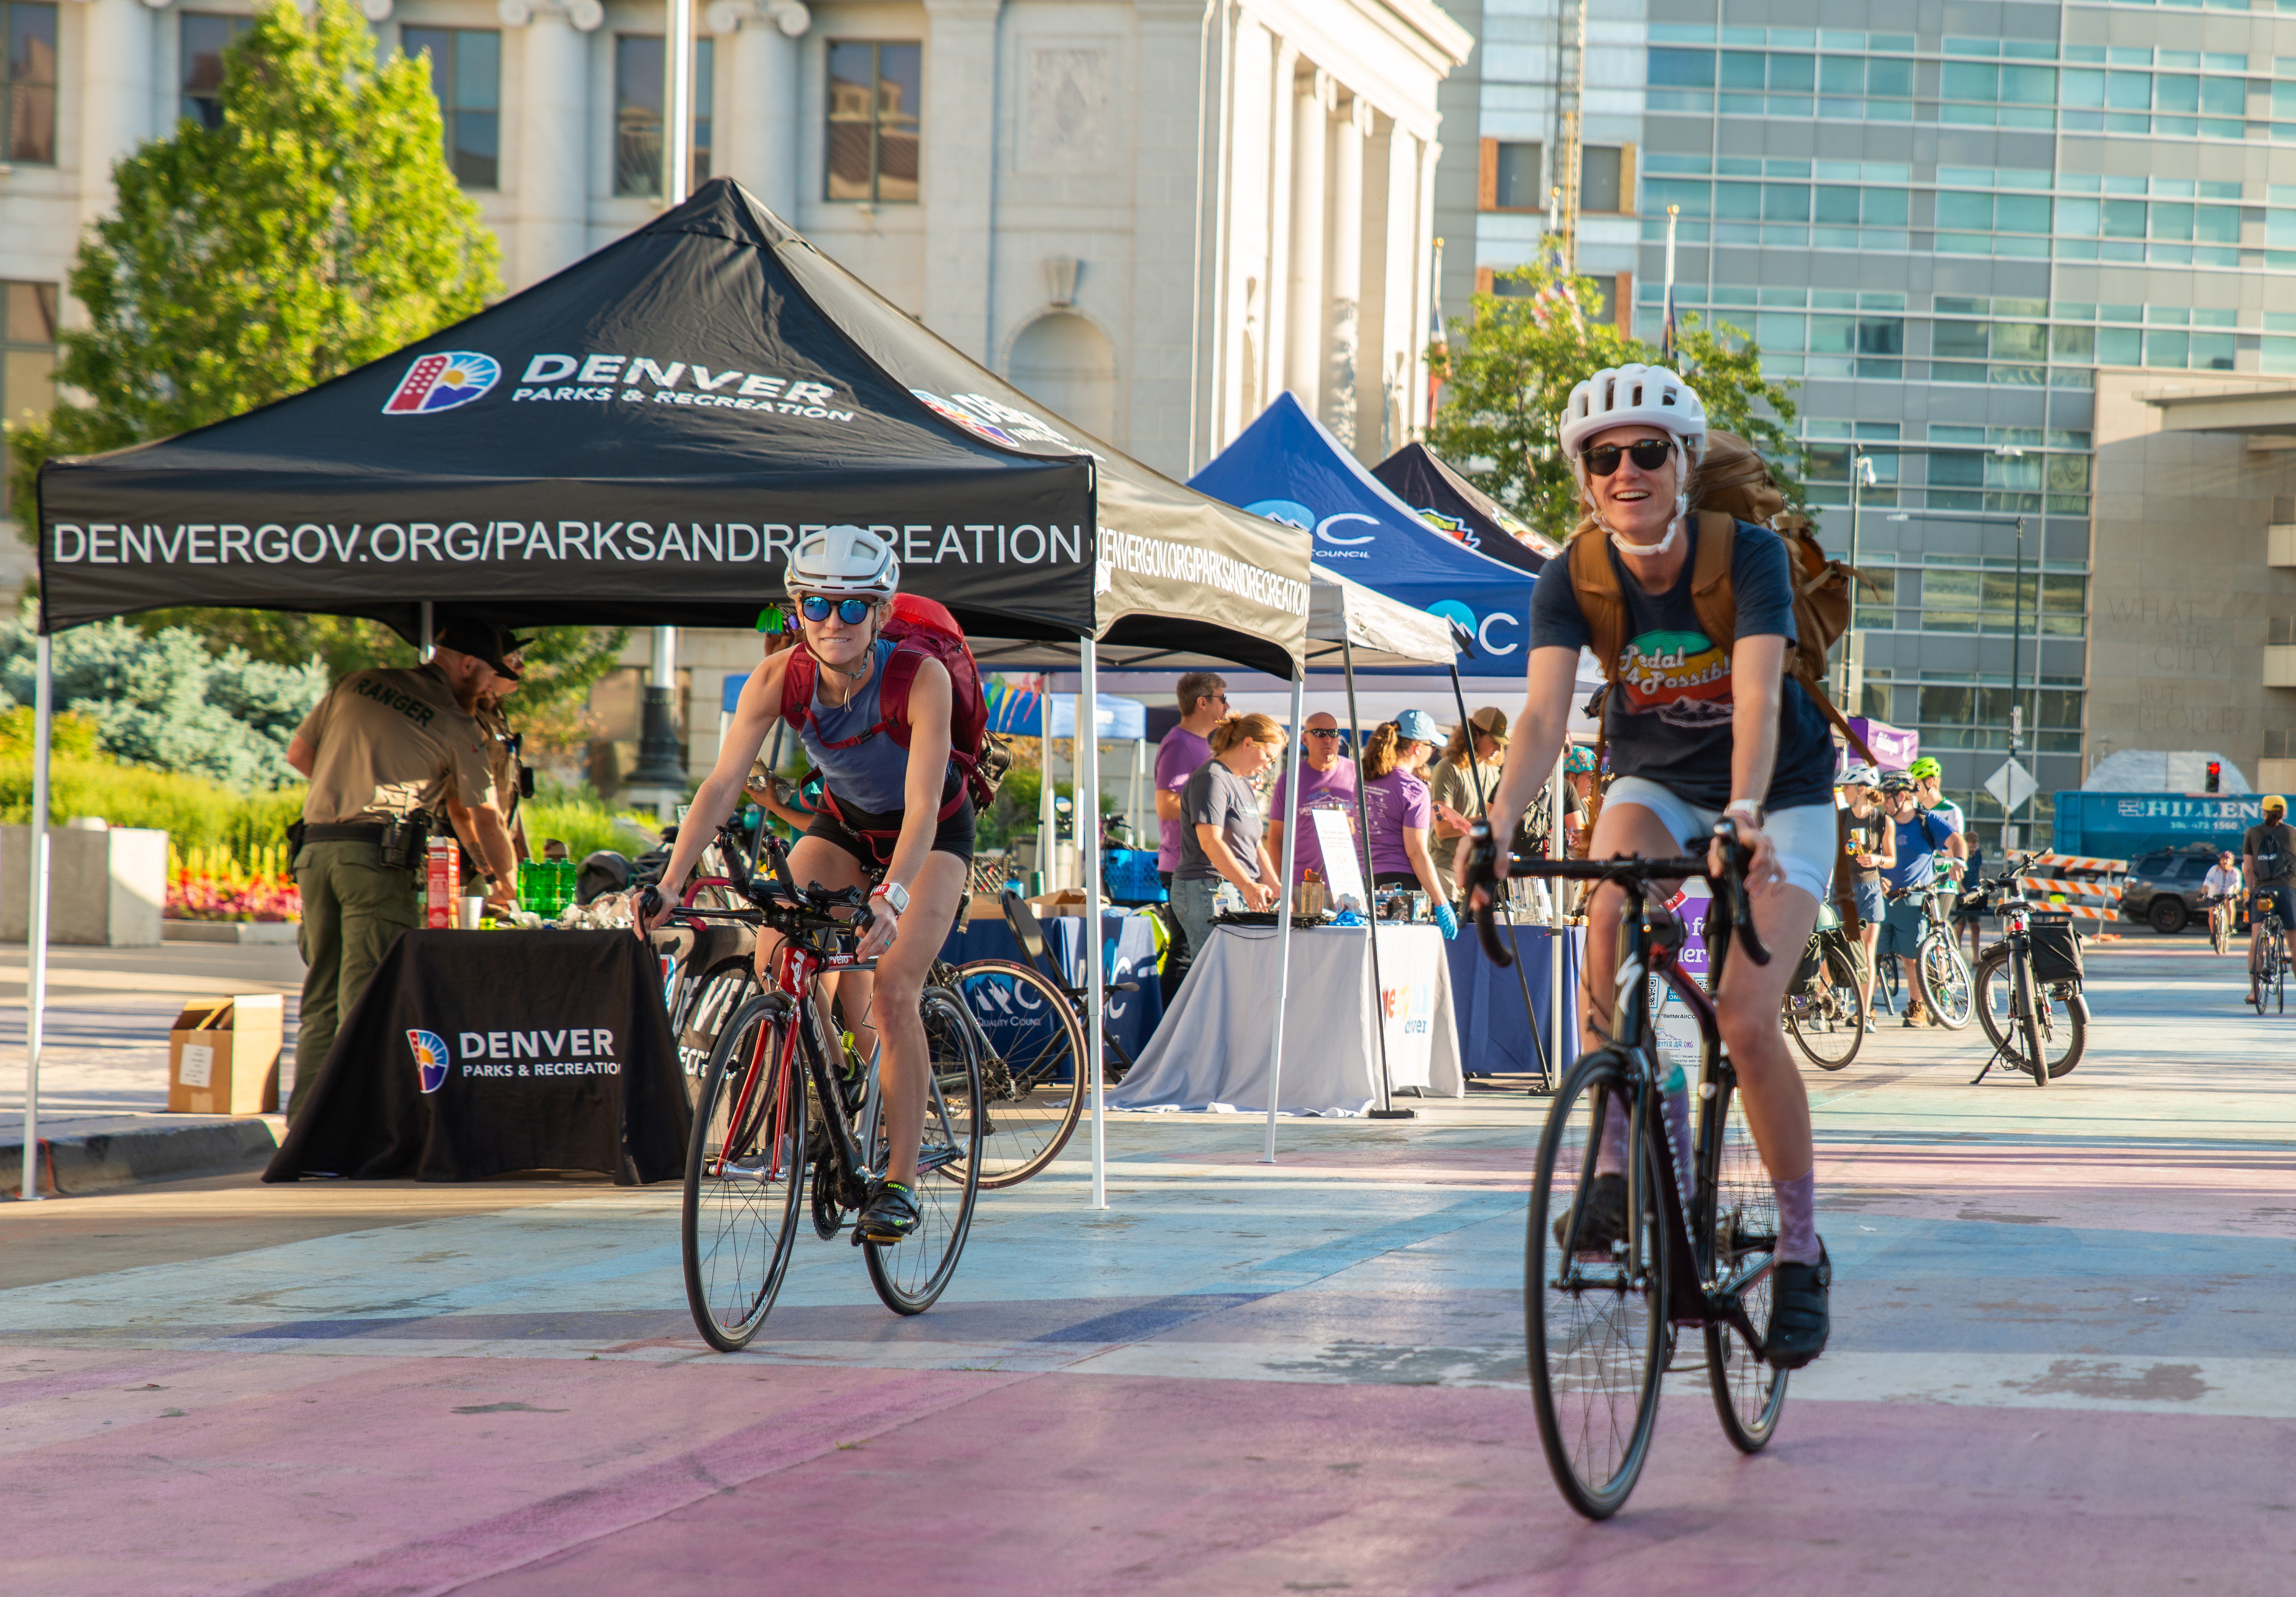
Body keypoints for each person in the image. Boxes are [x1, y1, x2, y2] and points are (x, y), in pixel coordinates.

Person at [1471, 362, 1837, 1369]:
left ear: (1680, 461)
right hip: (1654, 782)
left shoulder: (1745, 555)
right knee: (1605, 918)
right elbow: (1544, 716)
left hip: (1778, 791)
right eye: (1603, 456)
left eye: (1645, 451)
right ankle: (1620, 1151)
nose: (1624, 469)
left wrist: (1747, 810)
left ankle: (1801, 1252)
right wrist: (1498, 826)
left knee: (1742, 1016)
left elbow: (1757, 700)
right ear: (1582, 476)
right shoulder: (1571, 575)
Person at [636, 526, 971, 1244]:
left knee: (892, 987)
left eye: (854, 608)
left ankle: (901, 1182)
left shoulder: (920, 677)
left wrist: (893, 896)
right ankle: (838, 1076)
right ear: (796, 606)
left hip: (932, 832)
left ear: (881, 613)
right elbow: (723, 782)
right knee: (772, 960)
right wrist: (670, 881)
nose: (832, 622)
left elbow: (919, 807)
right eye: (816, 604)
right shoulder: (777, 677)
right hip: (844, 821)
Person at [284, 621, 516, 1121]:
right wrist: (509, 885)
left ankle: (307, 1126)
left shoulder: (356, 683)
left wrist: (350, 783)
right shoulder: (456, 722)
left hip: (315, 849)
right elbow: (484, 816)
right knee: (367, 998)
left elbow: (299, 754)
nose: (490, 686)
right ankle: (354, 1131)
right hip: (374, 860)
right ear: (468, 664)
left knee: (322, 995)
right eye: (488, 674)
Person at [1171, 712, 1286, 959]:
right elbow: (1210, 841)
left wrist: (1274, 885)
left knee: (1234, 974)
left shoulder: (1241, 783)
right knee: (1217, 976)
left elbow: (1254, 845)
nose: (1269, 766)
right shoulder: (1211, 777)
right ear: (1247, 744)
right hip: (1208, 887)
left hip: (1231, 889)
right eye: (1269, 756)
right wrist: (1247, 884)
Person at [1153, 672, 1228, 985]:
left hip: (1194, 864)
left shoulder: (1199, 744)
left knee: (1191, 952)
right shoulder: (1180, 745)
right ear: (1203, 703)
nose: (1227, 706)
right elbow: (1165, 803)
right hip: (1181, 865)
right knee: (1184, 954)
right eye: (1222, 699)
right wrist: (1211, 808)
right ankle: (1170, 1029)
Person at [1358, 710, 1459, 939]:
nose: (1433, 752)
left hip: (1360, 881)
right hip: (1398, 886)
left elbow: (1384, 817)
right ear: (1418, 748)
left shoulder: (1364, 777)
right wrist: (1441, 902)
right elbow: (1416, 851)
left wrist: (1438, 809)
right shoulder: (1414, 788)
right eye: (1432, 746)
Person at [1877, 768, 1959, 1025]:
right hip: (1881, 899)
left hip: (1913, 900)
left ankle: (1918, 1007)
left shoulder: (1927, 821)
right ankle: (1866, 1011)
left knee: (1912, 959)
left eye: (1887, 797)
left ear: (1902, 796)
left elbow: (1957, 841)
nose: (1883, 802)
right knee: (1872, 955)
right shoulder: (1880, 821)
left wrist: (1959, 861)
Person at [1833, 764, 1894, 1031]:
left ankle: (1864, 1013)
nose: (1844, 793)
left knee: (1868, 953)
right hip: (1843, 890)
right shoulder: (1840, 817)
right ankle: (1828, 1006)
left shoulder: (1883, 821)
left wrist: (1878, 859)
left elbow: (1891, 860)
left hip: (1870, 890)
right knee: (1834, 950)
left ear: (1861, 790)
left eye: (1846, 788)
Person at [1266, 711, 1358, 888]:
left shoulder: (1358, 775)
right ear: (1305, 740)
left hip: (1349, 884)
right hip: (1302, 885)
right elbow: (1276, 838)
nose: (1328, 739)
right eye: (1319, 734)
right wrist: (1283, 886)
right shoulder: (1290, 779)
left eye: (1333, 733)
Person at [1429, 708, 1512, 899]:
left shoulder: (1493, 772)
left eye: (1501, 744)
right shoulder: (1447, 768)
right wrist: (1487, 822)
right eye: (1494, 742)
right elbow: (1442, 827)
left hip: (1478, 870)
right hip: (1447, 870)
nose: (1499, 749)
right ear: (1475, 736)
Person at [2244, 795, 2294, 1002]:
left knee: (2256, 939)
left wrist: (2251, 893)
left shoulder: (2252, 833)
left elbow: (2248, 869)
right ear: (2284, 812)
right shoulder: (2293, 832)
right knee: (2294, 944)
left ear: (2263, 812)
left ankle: (2255, 992)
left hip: (2262, 892)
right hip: (2289, 891)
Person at [2201, 849, 2244, 951]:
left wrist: (2235, 893)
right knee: (2212, 913)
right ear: (2220, 861)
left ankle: (2230, 926)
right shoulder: (2214, 870)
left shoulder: (2235, 872)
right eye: (2223, 860)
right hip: (2214, 894)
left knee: (2229, 904)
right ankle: (2213, 934)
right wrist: (2203, 893)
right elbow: (2208, 881)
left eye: (2227, 860)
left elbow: (2237, 884)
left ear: (2231, 861)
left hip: (2228, 893)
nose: (2225, 862)